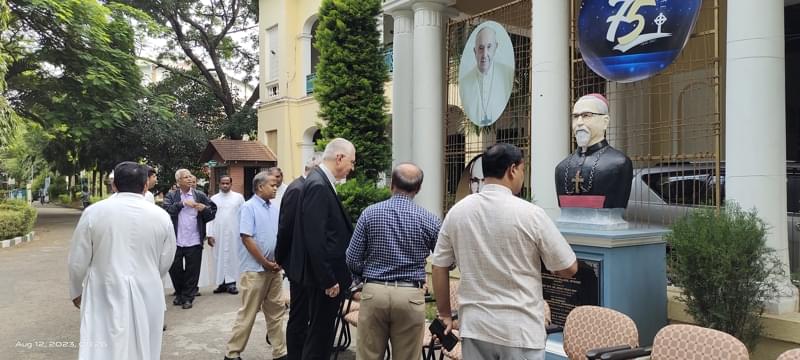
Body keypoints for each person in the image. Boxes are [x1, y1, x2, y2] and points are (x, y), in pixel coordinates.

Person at [431, 143, 578, 359]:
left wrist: (444, 313)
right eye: (523, 169)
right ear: (512, 170)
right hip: (520, 330)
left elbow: (439, 265)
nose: (522, 176)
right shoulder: (531, 214)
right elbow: (569, 267)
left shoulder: (458, 212)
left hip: (476, 327)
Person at [68, 161, 176, 359]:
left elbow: (77, 259)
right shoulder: (161, 216)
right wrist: (149, 274)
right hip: (148, 289)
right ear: (145, 186)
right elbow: (166, 258)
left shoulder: (94, 213)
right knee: (145, 344)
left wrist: (76, 290)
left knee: (101, 345)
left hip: (103, 288)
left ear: (114, 185)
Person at [346, 162, 441, 360]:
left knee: (368, 356)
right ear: (418, 188)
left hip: (374, 291)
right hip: (410, 294)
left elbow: (352, 257)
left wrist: (363, 277)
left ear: (391, 184)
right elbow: (445, 260)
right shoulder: (430, 219)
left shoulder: (369, 213)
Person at [290, 138, 356, 360]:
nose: (352, 167)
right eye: (352, 161)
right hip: (324, 280)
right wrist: (328, 279)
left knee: (321, 335)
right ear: (339, 158)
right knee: (319, 337)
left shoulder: (320, 181)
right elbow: (315, 238)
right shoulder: (318, 185)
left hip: (324, 276)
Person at [224, 171, 287, 360]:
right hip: (255, 271)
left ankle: (280, 352)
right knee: (248, 314)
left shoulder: (274, 208)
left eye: (276, 185)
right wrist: (265, 262)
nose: (276, 188)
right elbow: (247, 238)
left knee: (276, 312)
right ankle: (232, 353)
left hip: (274, 270)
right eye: (272, 185)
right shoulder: (248, 207)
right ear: (260, 187)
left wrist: (278, 262)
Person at [275, 152, 323, 360]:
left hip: (305, 264)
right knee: (299, 315)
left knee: (305, 314)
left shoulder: (305, 187)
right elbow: (286, 228)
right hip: (299, 264)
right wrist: (283, 259)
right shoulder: (298, 189)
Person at [554, 93, 633, 209]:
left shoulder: (619, 164)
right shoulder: (561, 168)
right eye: (575, 116)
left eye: (586, 115)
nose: (579, 122)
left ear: (605, 122)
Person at [163, 168, 217, 309]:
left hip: (194, 239)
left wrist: (203, 208)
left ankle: (188, 298)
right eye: (185, 177)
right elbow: (167, 211)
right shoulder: (171, 195)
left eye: (189, 176)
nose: (188, 179)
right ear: (178, 181)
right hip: (176, 240)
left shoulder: (199, 195)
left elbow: (212, 212)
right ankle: (180, 294)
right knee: (175, 270)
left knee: (192, 272)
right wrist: (182, 204)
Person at [459, 26, 514, 126]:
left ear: (495, 47)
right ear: (475, 51)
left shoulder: (506, 73)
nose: (484, 54)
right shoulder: (465, 81)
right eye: (481, 48)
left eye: (489, 47)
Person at [208, 175, 245, 295]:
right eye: (223, 183)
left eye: (227, 183)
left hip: (234, 232)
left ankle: (232, 283)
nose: (225, 185)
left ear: (231, 184)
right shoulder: (213, 198)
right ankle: (221, 283)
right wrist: (209, 234)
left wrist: (244, 232)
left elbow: (243, 215)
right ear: (219, 184)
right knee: (219, 257)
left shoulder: (238, 198)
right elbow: (209, 217)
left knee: (232, 257)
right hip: (218, 233)